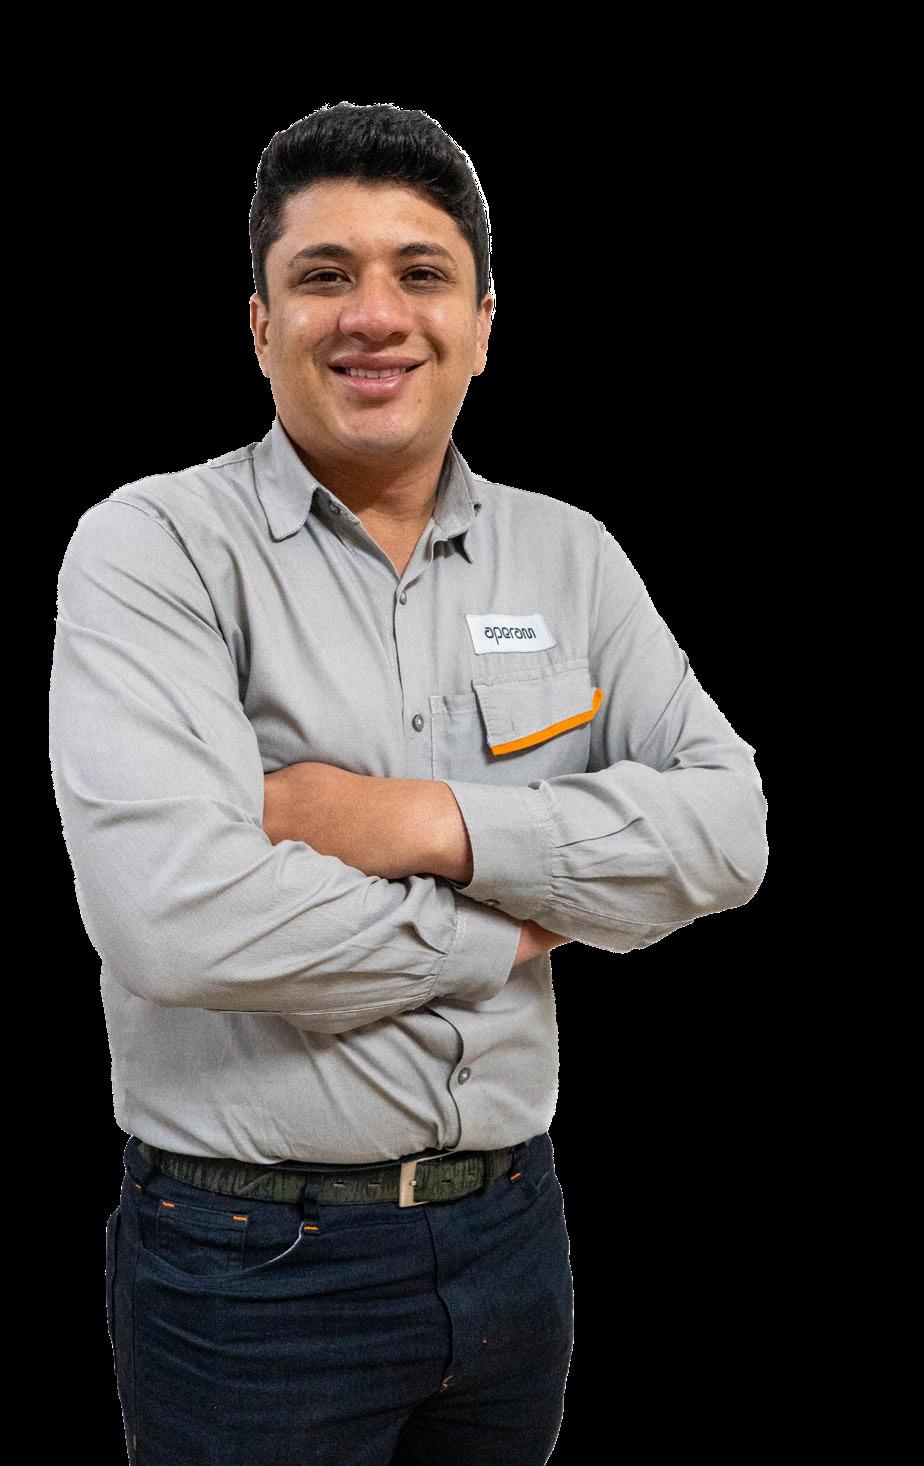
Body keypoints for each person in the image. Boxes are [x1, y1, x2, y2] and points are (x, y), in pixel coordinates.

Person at [49, 102, 769, 1465]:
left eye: (420, 273)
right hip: (249, 1262)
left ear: (483, 323)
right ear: (261, 323)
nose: (373, 315)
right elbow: (174, 917)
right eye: (324, 275)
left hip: (512, 1235)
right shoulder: (155, 551)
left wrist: (416, 823)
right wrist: (520, 923)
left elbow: (728, 826)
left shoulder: (570, 556)